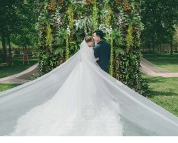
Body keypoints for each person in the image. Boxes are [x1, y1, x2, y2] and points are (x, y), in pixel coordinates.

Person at [0, 38, 178, 136]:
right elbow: (93, 62)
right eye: (91, 42)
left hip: (81, 72)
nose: (93, 43)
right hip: (89, 72)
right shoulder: (91, 51)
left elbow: (87, 61)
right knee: (91, 89)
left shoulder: (82, 54)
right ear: (89, 44)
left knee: (78, 89)